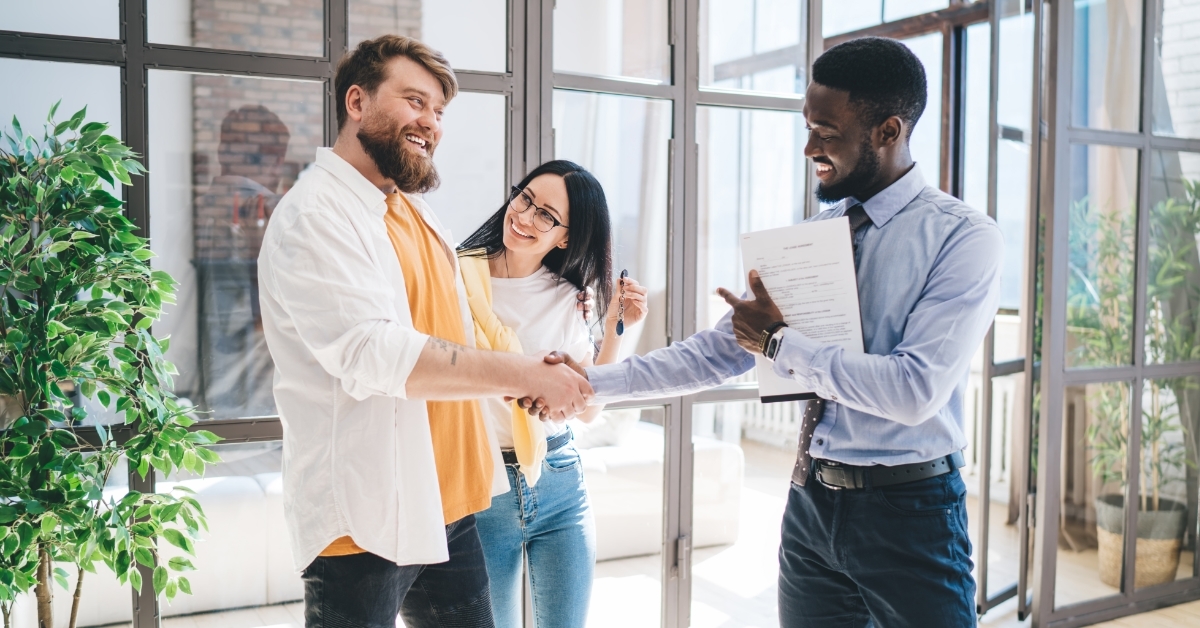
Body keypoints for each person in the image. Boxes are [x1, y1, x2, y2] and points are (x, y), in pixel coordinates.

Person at [529, 37, 1002, 627]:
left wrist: (779, 342)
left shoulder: (965, 238)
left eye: (826, 132)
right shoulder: (814, 235)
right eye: (808, 128)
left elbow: (914, 391)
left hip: (911, 514)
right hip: (811, 504)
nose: (809, 148)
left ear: (888, 130)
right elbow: (715, 352)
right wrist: (592, 384)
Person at [257, 35, 592, 628]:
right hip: (366, 521)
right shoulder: (316, 215)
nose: (431, 123)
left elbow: (455, 334)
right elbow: (374, 351)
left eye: (438, 112)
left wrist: (522, 384)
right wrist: (522, 373)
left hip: (449, 504)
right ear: (356, 102)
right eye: (415, 102)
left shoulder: (411, 210)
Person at [456, 160, 648, 628]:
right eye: (525, 199)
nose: (524, 217)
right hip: (483, 481)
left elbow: (586, 412)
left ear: (565, 237)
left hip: (560, 477)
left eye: (547, 215)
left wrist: (618, 332)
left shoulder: (567, 297)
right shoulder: (456, 280)